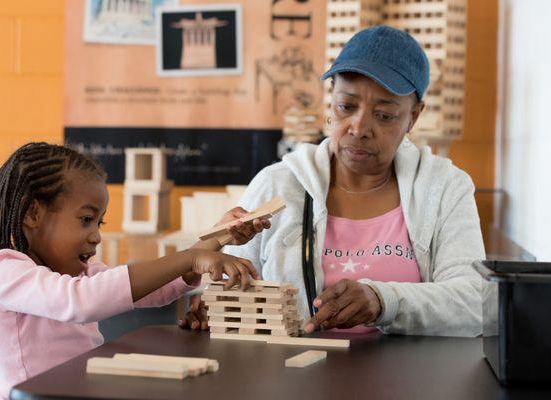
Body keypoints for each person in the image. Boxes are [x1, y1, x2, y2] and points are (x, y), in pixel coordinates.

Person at [181, 25, 484, 337]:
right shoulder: (278, 184)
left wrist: (384, 301)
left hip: (408, 382)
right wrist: (213, 307)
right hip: (290, 380)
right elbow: (228, 287)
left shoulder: (444, 188)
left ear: (413, 117)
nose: (359, 127)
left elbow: (475, 303)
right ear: (331, 102)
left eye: (384, 115)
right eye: (346, 107)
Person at [0, 142, 267, 400]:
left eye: (98, 223)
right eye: (86, 219)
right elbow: (80, 302)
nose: (96, 236)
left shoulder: (80, 275)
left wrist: (218, 238)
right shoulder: (4, 270)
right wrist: (191, 258)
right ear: (32, 213)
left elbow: (150, 287)